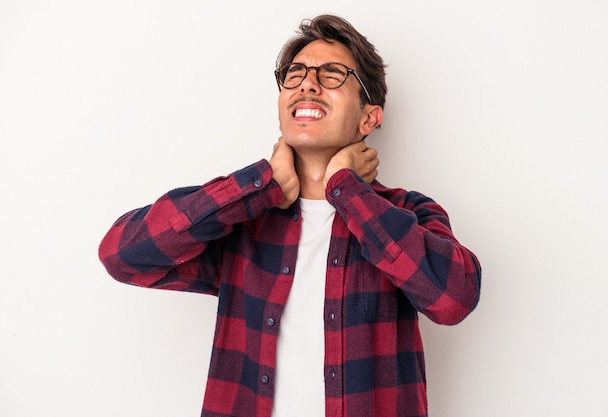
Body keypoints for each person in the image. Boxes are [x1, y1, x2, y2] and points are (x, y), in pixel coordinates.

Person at [98, 14, 481, 417]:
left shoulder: (407, 213)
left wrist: (347, 190)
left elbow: (454, 299)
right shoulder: (243, 224)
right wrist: (259, 183)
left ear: (370, 116)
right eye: (295, 74)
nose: (307, 84)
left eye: (333, 74)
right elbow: (122, 255)